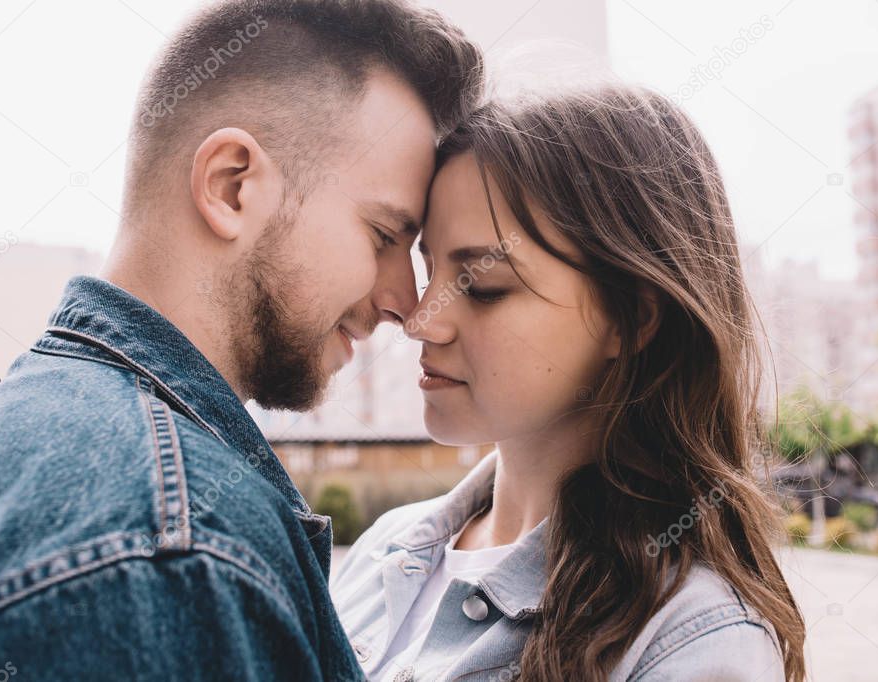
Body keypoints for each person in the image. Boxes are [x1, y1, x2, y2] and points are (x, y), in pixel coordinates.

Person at [0, 1, 482, 678]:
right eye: (382, 236)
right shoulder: (168, 553)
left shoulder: (31, 426)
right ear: (232, 186)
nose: (403, 303)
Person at [331, 86, 806, 681]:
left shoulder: (692, 637)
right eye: (431, 272)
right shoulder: (383, 550)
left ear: (632, 318)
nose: (422, 319)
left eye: (483, 287)